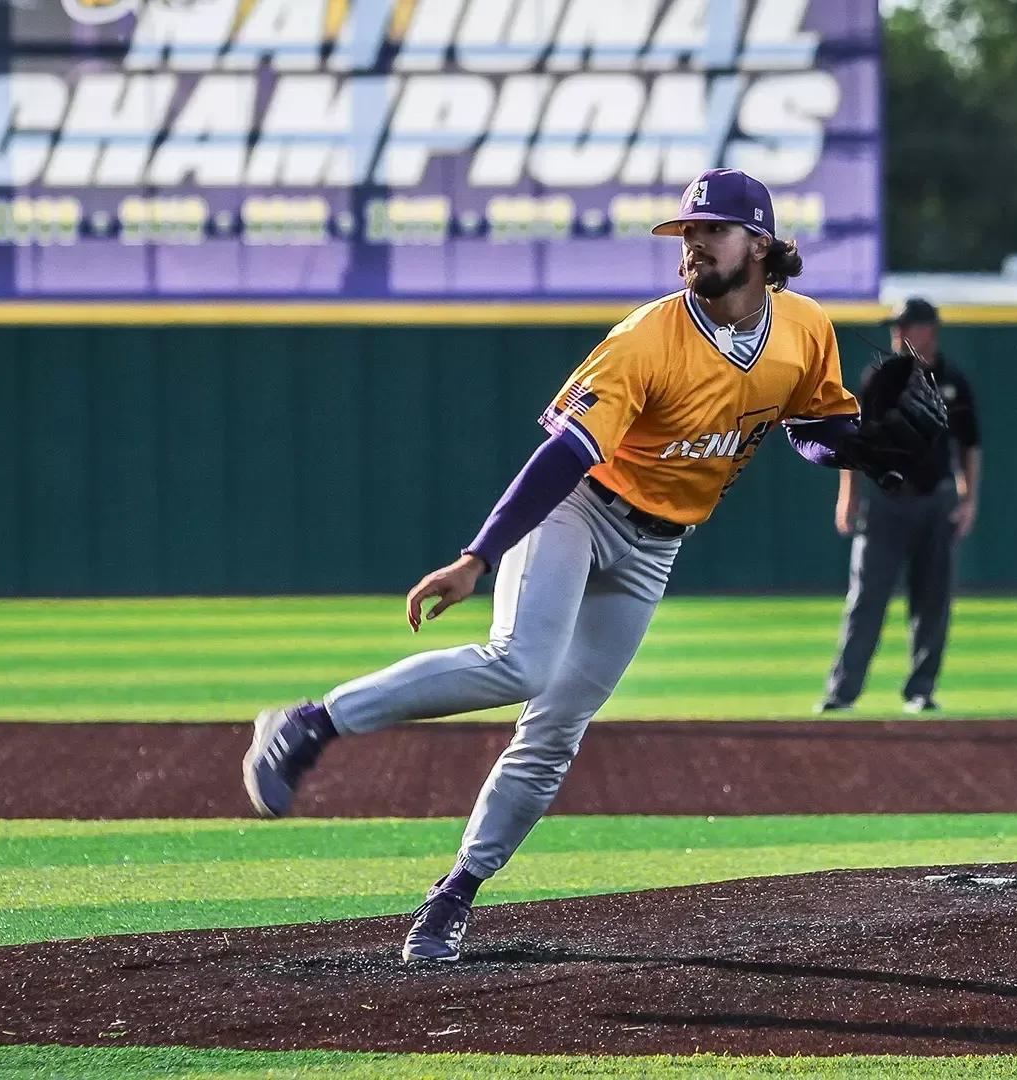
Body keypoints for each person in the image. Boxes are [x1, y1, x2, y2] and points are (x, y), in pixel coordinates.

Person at [243, 169, 878, 965]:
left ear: (758, 243)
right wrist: (478, 556)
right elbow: (564, 454)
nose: (692, 246)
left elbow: (812, 426)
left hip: (657, 544)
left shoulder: (805, 328)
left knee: (555, 732)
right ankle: (310, 724)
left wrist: (869, 448)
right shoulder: (647, 338)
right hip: (579, 508)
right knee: (520, 663)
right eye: (685, 233)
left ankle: (452, 897)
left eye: (709, 231)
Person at [818, 298, 982, 714]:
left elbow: (969, 445)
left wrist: (968, 498)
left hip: (935, 500)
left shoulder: (952, 381)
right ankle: (842, 693)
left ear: (930, 329)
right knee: (866, 600)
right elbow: (855, 442)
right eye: (896, 327)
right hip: (887, 502)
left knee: (932, 602)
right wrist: (848, 497)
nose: (898, 333)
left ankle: (921, 690)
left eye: (907, 326)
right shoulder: (879, 379)